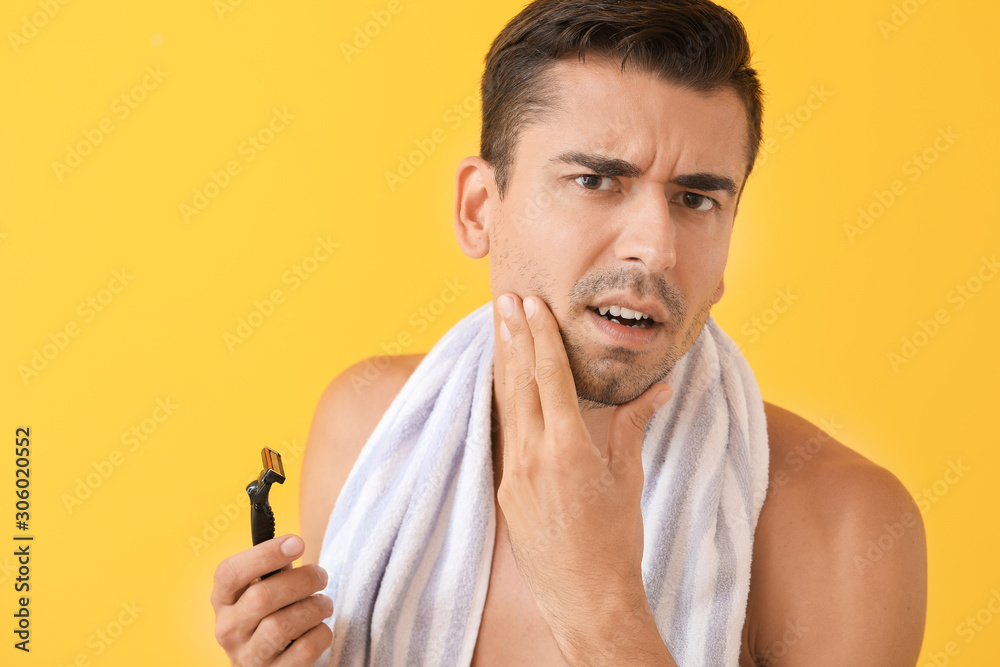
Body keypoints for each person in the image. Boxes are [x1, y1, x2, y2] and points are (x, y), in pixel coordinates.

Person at [211, 1, 927, 664]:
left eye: (697, 198)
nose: (656, 247)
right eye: (595, 180)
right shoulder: (366, 423)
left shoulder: (844, 526)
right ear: (478, 210)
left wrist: (600, 605)